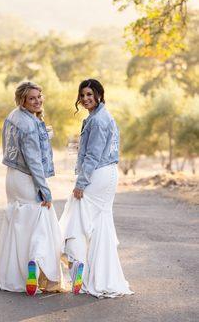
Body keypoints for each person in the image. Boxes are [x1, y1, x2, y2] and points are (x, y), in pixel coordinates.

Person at [60, 79, 133, 298]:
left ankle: (80, 266)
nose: (85, 99)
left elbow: (93, 155)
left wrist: (81, 183)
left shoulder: (98, 120)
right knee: (99, 224)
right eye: (82, 95)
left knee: (77, 218)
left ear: (99, 94)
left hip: (98, 174)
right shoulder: (99, 116)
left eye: (89, 95)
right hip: (107, 173)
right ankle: (97, 275)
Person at [0, 81, 62, 295]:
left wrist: (43, 135)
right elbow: (33, 161)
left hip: (12, 177)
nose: (38, 100)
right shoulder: (29, 125)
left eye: (39, 96)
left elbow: (14, 147)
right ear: (23, 100)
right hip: (27, 177)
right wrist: (45, 190)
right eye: (32, 98)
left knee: (18, 225)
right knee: (41, 221)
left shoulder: (13, 116)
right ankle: (35, 265)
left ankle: (15, 276)